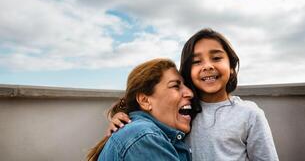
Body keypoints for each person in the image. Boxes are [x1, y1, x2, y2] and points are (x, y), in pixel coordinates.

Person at [107, 28, 279, 161]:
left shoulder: (249, 114)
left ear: (232, 68)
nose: (207, 66)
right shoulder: (183, 112)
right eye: (197, 62)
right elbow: (149, 124)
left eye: (217, 58)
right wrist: (122, 118)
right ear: (188, 72)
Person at [87, 58, 194, 161]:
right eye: (176, 86)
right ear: (145, 101)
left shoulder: (143, 134)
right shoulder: (144, 137)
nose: (190, 93)